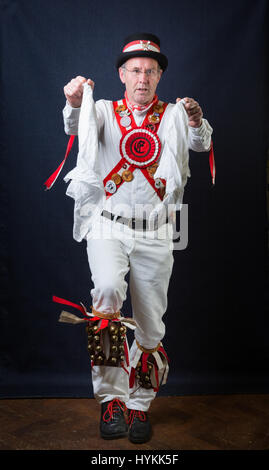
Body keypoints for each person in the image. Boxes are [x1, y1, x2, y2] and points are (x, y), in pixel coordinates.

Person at [61, 33, 213, 444]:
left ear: (159, 75)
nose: (142, 77)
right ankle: (110, 399)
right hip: (108, 224)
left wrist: (197, 120)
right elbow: (76, 127)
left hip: (157, 231)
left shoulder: (173, 115)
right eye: (135, 70)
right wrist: (75, 101)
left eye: (150, 70)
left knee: (149, 327)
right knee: (107, 296)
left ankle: (139, 404)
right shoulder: (105, 111)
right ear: (121, 74)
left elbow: (201, 145)